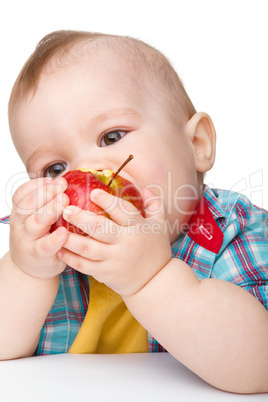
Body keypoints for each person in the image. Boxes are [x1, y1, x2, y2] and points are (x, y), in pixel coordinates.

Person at [0, 30, 267, 394]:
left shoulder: (231, 231)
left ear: (197, 145)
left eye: (112, 137)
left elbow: (258, 366)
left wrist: (151, 278)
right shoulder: (53, 252)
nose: (87, 170)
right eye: (55, 169)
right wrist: (26, 271)